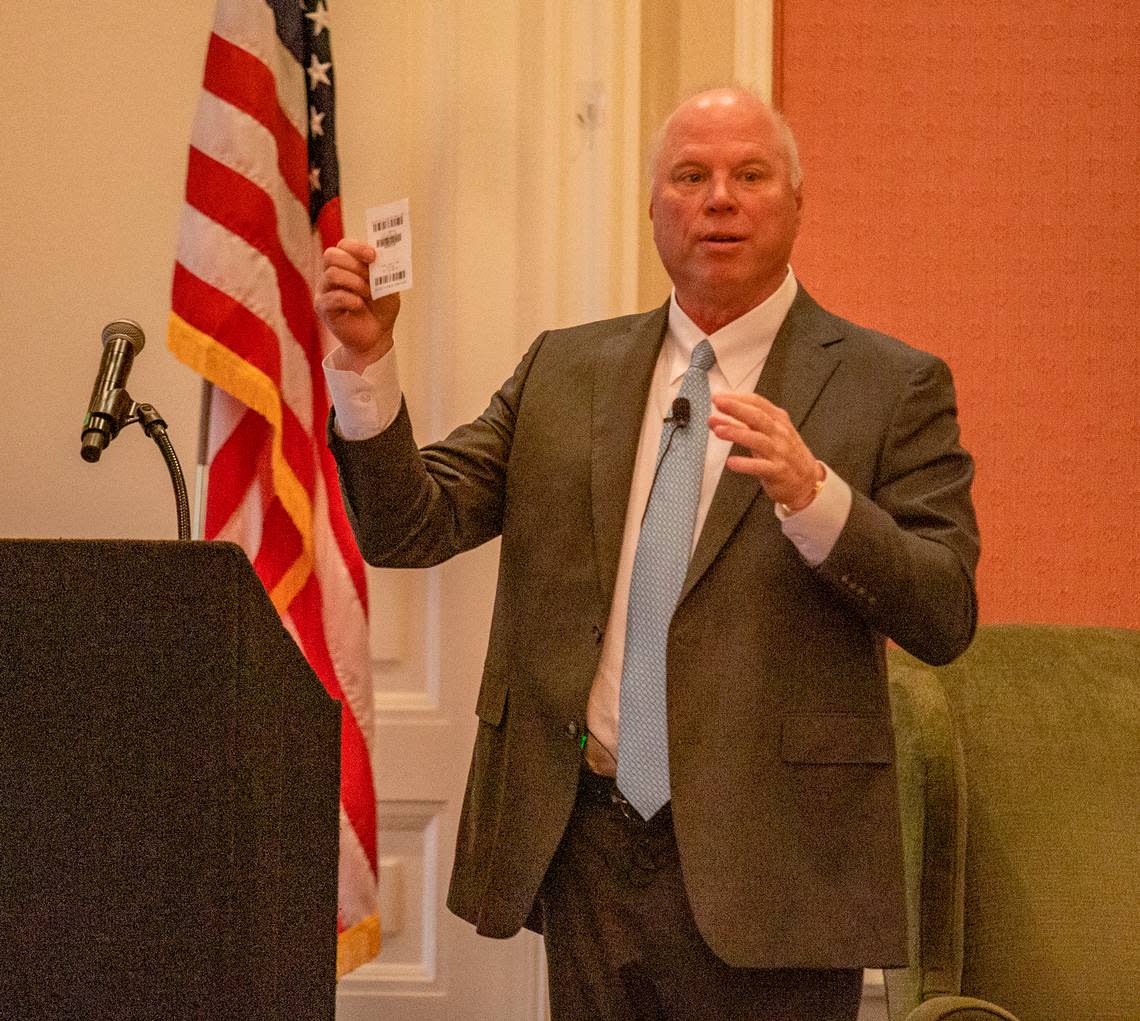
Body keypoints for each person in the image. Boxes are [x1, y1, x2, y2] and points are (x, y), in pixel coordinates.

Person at [317, 87, 979, 1021]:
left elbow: (946, 610)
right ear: (654, 208)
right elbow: (410, 524)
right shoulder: (564, 368)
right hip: (588, 845)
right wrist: (364, 367)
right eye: (691, 176)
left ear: (796, 201)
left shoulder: (890, 383)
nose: (719, 198)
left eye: (750, 175)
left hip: (777, 866)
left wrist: (816, 496)